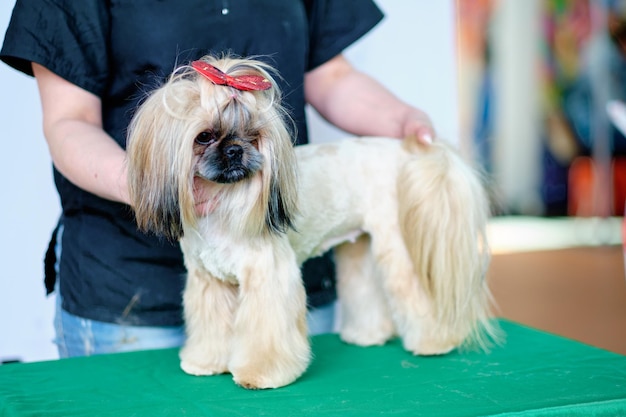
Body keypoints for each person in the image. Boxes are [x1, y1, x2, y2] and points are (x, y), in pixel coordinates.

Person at [0, 0, 435, 358]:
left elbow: (332, 76)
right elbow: (68, 121)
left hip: (290, 273)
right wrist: (149, 186)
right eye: (206, 139)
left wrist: (401, 120)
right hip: (129, 297)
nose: (230, 150)